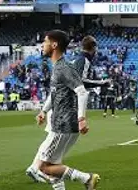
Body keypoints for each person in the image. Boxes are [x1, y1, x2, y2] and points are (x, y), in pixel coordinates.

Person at [27, 35, 110, 183]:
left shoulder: (65, 65)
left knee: (48, 163)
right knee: (50, 164)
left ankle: (36, 169)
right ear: (94, 48)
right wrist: (101, 83)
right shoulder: (77, 62)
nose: (42, 45)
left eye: (45, 42)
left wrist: (80, 118)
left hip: (63, 115)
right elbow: (77, 86)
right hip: (63, 114)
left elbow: (76, 88)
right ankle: (86, 178)